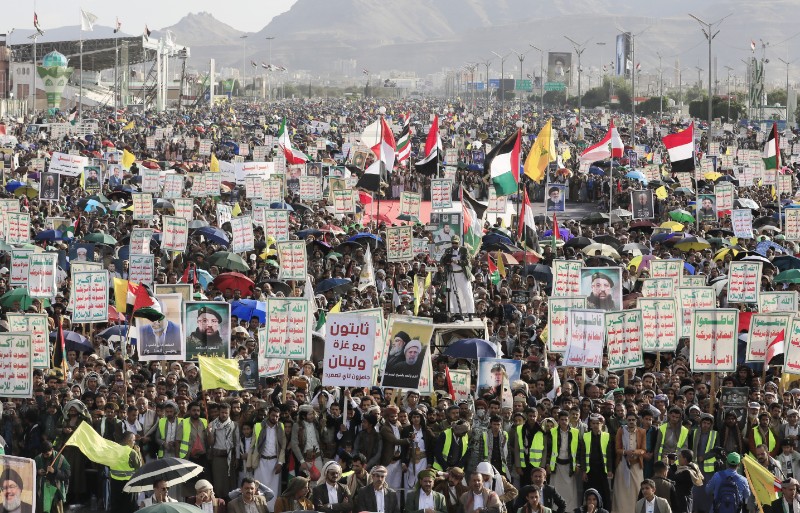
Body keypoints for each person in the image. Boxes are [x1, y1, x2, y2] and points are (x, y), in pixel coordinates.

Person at [251, 406, 286, 511]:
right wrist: (250, 463)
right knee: (258, 488)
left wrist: (280, 462)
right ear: (268, 415)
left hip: (274, 463)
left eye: (277, 416)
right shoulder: (258, 426)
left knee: (273, 490)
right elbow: (252, 446)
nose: (275, 418)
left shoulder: (281, 427)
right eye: (273, 415)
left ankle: (271, 510)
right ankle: (258, 509)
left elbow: (283, 447)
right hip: (260, 462)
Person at [613, 411, 646, 513]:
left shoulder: (642, 432)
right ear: (626, 420)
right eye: (629, 420)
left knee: (637, 489)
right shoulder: (621, 430)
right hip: (623, 464)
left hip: (636, 465)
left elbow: (643, 450)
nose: (631, 422)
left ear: (636, 421)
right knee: (621, 491)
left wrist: (635, 452)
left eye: (633, 420)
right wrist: (625, 452)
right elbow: (617, 449)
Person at [547, 411, 580, 513]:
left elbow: (578, 450)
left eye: (566, 420)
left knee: (570, 492)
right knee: (555, 489)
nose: (564, 422)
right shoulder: (552, 432)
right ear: (558, 420)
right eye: (562, 420)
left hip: (569, 466)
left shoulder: (575, 432)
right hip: (556, 466)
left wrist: (578, 464)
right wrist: (548, 464)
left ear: (569, 420)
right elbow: (548, 450)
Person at [581, 415, 614, 511]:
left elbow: (609, 455)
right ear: (590, 424)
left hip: (602, 470)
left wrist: (610, 470)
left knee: (604, 494)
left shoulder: (606, 436)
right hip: (590, 470)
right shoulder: (586, 436)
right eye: (593, 423)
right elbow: (582, 455)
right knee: (589, 494)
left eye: (598, 423)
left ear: (602, 424)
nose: (595, 425)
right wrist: (584, 471)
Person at [208, 402, 239, 499]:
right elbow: (210, 443)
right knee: (218, 484)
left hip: (230, 458)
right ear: (219, 412)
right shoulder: (212, 424)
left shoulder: (234, 425)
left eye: (226, 413)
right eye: (222, 412)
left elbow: (237, 443)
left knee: (230, 484)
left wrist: (237, 458)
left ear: (229, 413)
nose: (224, 415)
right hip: (217, 458)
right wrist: (210, 433)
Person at [440, 235, 475, 316]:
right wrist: (446, 259)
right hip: (452, 275)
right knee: (452, 294)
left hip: (462, 274)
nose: (454, 245)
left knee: (467, 293)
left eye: (456, 243)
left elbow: (466, 261)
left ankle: (470, 312)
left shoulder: (464, 250)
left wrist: (457, 262)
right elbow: (442, 261)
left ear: (459, 243)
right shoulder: (448, 250)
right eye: (453, 243)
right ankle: (455, 312)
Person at [35, 440, 71, 513]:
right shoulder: (38, 458)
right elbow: (30, 472)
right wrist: (37, 472)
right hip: (42, 493)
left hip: (56, 492)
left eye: (47, 454)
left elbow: (67, 474)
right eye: (43, 454)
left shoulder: (60, 458)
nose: (45, 456)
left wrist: (55, 471)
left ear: (52, 449)